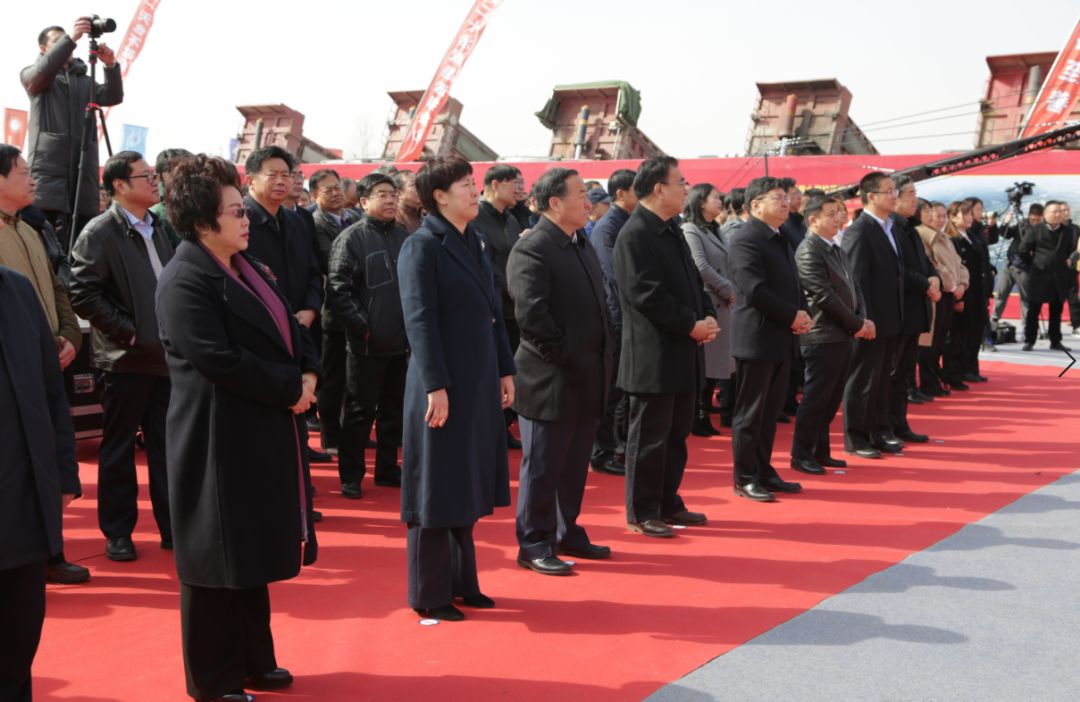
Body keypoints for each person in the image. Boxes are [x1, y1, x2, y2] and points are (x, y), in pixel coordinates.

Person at [156, 154, 318, 702]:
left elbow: (290, 326)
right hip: (215, 439)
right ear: (203, 221)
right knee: (214, 560)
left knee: (247, 553)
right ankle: (213, 681)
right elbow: (218, 358)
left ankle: (254, 660)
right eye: (233, 211)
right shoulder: (185, 278)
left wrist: (310, 372)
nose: (245, 218)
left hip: (258, 428)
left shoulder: (249, 267)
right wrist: (289, 387)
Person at [396, 156, 516, 621]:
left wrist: (505, 370)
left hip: (478, 379)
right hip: (440, 386)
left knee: (465, 482)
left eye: (474, 183)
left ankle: (464, 582)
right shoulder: (422, 246)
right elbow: (419, 321)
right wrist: (435, 384)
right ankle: (429, 592)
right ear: (439, 196)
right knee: (436, 488)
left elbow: (494, 313)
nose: (474, 191)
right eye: (466, 184)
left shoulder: (477, 241)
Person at [507, 168, 614, 576]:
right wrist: (569, 357)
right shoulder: (533, 247)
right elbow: (533, 317)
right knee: (543, 466)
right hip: (551, 376)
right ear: (554, 202)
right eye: (581, 194)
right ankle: (533, 541)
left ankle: (567, 529)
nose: (589, 202)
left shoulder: (579, 242)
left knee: (574, 464)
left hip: (589, 372)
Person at [69, 150, 173, 561]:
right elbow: (83, 292)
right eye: (144, 176)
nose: (154, 181)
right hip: (124, 361)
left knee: (169, 448)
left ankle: (173, 528)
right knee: (118, 450)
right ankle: (118, 533)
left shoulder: (162, 227)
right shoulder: (99, 232)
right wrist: (129, 333)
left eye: (153, 175)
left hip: (166, 358)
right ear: (119, 186)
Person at [613, 156, 716, 537]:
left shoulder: (671, 229)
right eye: (681, 182)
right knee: (649, 438)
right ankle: (642, 511)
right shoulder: (635, 234)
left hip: (683, 349)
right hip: (653, 355)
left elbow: (694, 283)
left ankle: (668, 500)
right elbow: (645, 295)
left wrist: (706, 317)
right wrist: (691, 324)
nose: (686, 188)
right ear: (659, 188)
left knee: (676, 434)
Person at [0, 146, 86, 585]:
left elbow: (57, 289)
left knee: (49, 449)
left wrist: (69, 335)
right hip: (21, 360)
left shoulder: (32, 231)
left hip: (51, 356)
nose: (33, 179)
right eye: (23, 172)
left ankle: (52, 548)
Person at [0, 264, 80, 702]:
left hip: (25, 501)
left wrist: (64, 473)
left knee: (18, 643)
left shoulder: (17, 289)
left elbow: (53, 390)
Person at [727, 176, 809, 501]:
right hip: (757, 337)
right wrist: (792, 315)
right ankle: (745, 476)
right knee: (750, 413)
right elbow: (754, 290)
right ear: (756, 204)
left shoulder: (780, 236)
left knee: (770, 411)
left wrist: (800, 313)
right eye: (778, 198)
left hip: (781, 336)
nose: (786, 202)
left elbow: (792, 282)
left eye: (786, 197)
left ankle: (764, 469)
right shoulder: (746, 239)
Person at [326, 173, 408, 498]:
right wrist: (365, 327)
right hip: (366, 343)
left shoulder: (404, 237)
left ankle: (388, 469)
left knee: (394, 410)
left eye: (393, 194)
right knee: (360, 412)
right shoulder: (350, 239)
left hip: (401, 343)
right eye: (382, 194)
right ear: (363, 202)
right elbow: (337, 291)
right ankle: (351, 474)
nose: (390, 200)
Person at [21, 19, 123, 250]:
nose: (68, 46)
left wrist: (110, 66)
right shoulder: (34, 76)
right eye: (58, 42)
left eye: (67, 40)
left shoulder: (84, 81)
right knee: (44, 246)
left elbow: (112, 97)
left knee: (81, 246)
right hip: (48, 177)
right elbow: (40, 74)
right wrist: (72, 38)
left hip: (82, 175)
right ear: (44, 49)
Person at [792, 195, 872, 474]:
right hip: (822, 333)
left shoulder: (835, 248)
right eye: (832, 213)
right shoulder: (808, 250)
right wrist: (856, 324)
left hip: (842, 332)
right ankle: (802, 454)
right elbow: (822, 295)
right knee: (816, 397)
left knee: (830, 398)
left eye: (840, 213)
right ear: (813, 220)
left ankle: (820, 451)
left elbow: (855, 287)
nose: (839, 218)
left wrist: (861, 318)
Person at [840, 172, 906, 459]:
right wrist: (862, 319)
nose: (894, 195)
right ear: (870, 196)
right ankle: (856, 436)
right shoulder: (859, 231)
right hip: (870, 320)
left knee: (881, 380)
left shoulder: (890, 228)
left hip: (891, 318)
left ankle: (879, 429)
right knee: (862, 379)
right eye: (888, 191)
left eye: (895, 190)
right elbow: (855, 281)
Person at [586, 168, 637, 476]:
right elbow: (616, 276)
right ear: (621, 193)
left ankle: (615, 446)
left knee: (621, 390)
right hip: (617, 317)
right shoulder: (608, 227)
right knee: (611, 390)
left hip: (628, 317)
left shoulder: (626, 222)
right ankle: (603, 451)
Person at [472, 164, 524, 449]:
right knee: (489, 374)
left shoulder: (512, 220)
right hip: (491, 308)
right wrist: (510, 287)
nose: (519, 188)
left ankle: (502, 427)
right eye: (513, 183)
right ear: (493, 184)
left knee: (508, 371)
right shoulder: (477, 217)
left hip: (513, 309)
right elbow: (485, 266)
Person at [887, 176, 940, 442]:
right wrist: (925, 284)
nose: (914, 199)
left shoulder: (911, 228)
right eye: (909, 193)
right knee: (893, 373)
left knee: (905, 372)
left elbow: (925, 264)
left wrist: (934, 279)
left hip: (916, 308)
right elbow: (896, 269)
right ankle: (887, 426)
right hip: (900, 310)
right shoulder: (891, 229)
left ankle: (900, 424)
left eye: (915, 193)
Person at [681, 183, 734, 437]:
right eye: (715, 197)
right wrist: (727, 288)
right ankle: (697, 415)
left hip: (721, 303)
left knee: (716, 364)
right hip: (708, 301)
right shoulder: (690, 229)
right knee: (707, 363)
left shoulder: (715, 229)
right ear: (700, 202)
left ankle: (701, 414)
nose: (720, 200)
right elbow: (700, 265)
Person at [309, 168, 352, 455]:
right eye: (328, 190)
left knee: (354, 379)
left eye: (338, 187)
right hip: (333, 310)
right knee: (333, 378)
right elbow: (331, 259)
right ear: (314, 195)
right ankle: (331, 436)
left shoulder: (355, 217)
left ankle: (349, 433)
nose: (336, 193)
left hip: (359, 308)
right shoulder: (315, 224)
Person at [916, 200, 968, 397]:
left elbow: (959, 265)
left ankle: (935, 379)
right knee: (928, 344)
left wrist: (962, 284)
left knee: (939, 341)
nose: (937, 218)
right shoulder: (923, 236)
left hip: (949, 294)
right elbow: (934, 266)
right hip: (937, 294)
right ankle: (928, 382)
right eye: (931, 213)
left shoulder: (944, 237)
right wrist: (952, 285)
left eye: (941, 215)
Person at [1020, 200, 1077, 352]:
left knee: (1056, 311)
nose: (1058, 214)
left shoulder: (1068, 231)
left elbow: (1071, 250)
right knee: (1033, 310)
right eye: (1054, 211)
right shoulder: (1036, 230)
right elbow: (1023, 250)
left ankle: (1055, 340)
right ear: (1045, 214)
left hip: (1059, 276)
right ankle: (1029, 340)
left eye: (1060, 211)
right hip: (1039, 276)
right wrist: (1033, 264)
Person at [992, 203, 1042, 328]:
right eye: (1032, 219)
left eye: (1037, 220)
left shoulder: (1042, 231)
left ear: (1042, 218)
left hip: (1025, 267)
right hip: (1010, 264)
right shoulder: (1022, 224)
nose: (1034, 222)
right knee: (1001, 294)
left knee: (1025, 298)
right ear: (1029, 216)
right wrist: (1006, 223)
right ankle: (994, 319)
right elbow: (1005, 234)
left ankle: (1027, 325)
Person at [149, 148, 194, 248]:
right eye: (180, 170)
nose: (188, 175)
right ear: (162, 176)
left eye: (191, 170)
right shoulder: (155, 215)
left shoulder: (199, 205)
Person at [394, 170, 424, 234]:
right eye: (413, 184)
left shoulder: (426, 213)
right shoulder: (395, 219)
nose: (420, 187)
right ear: (399, 193)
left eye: (419, 183)